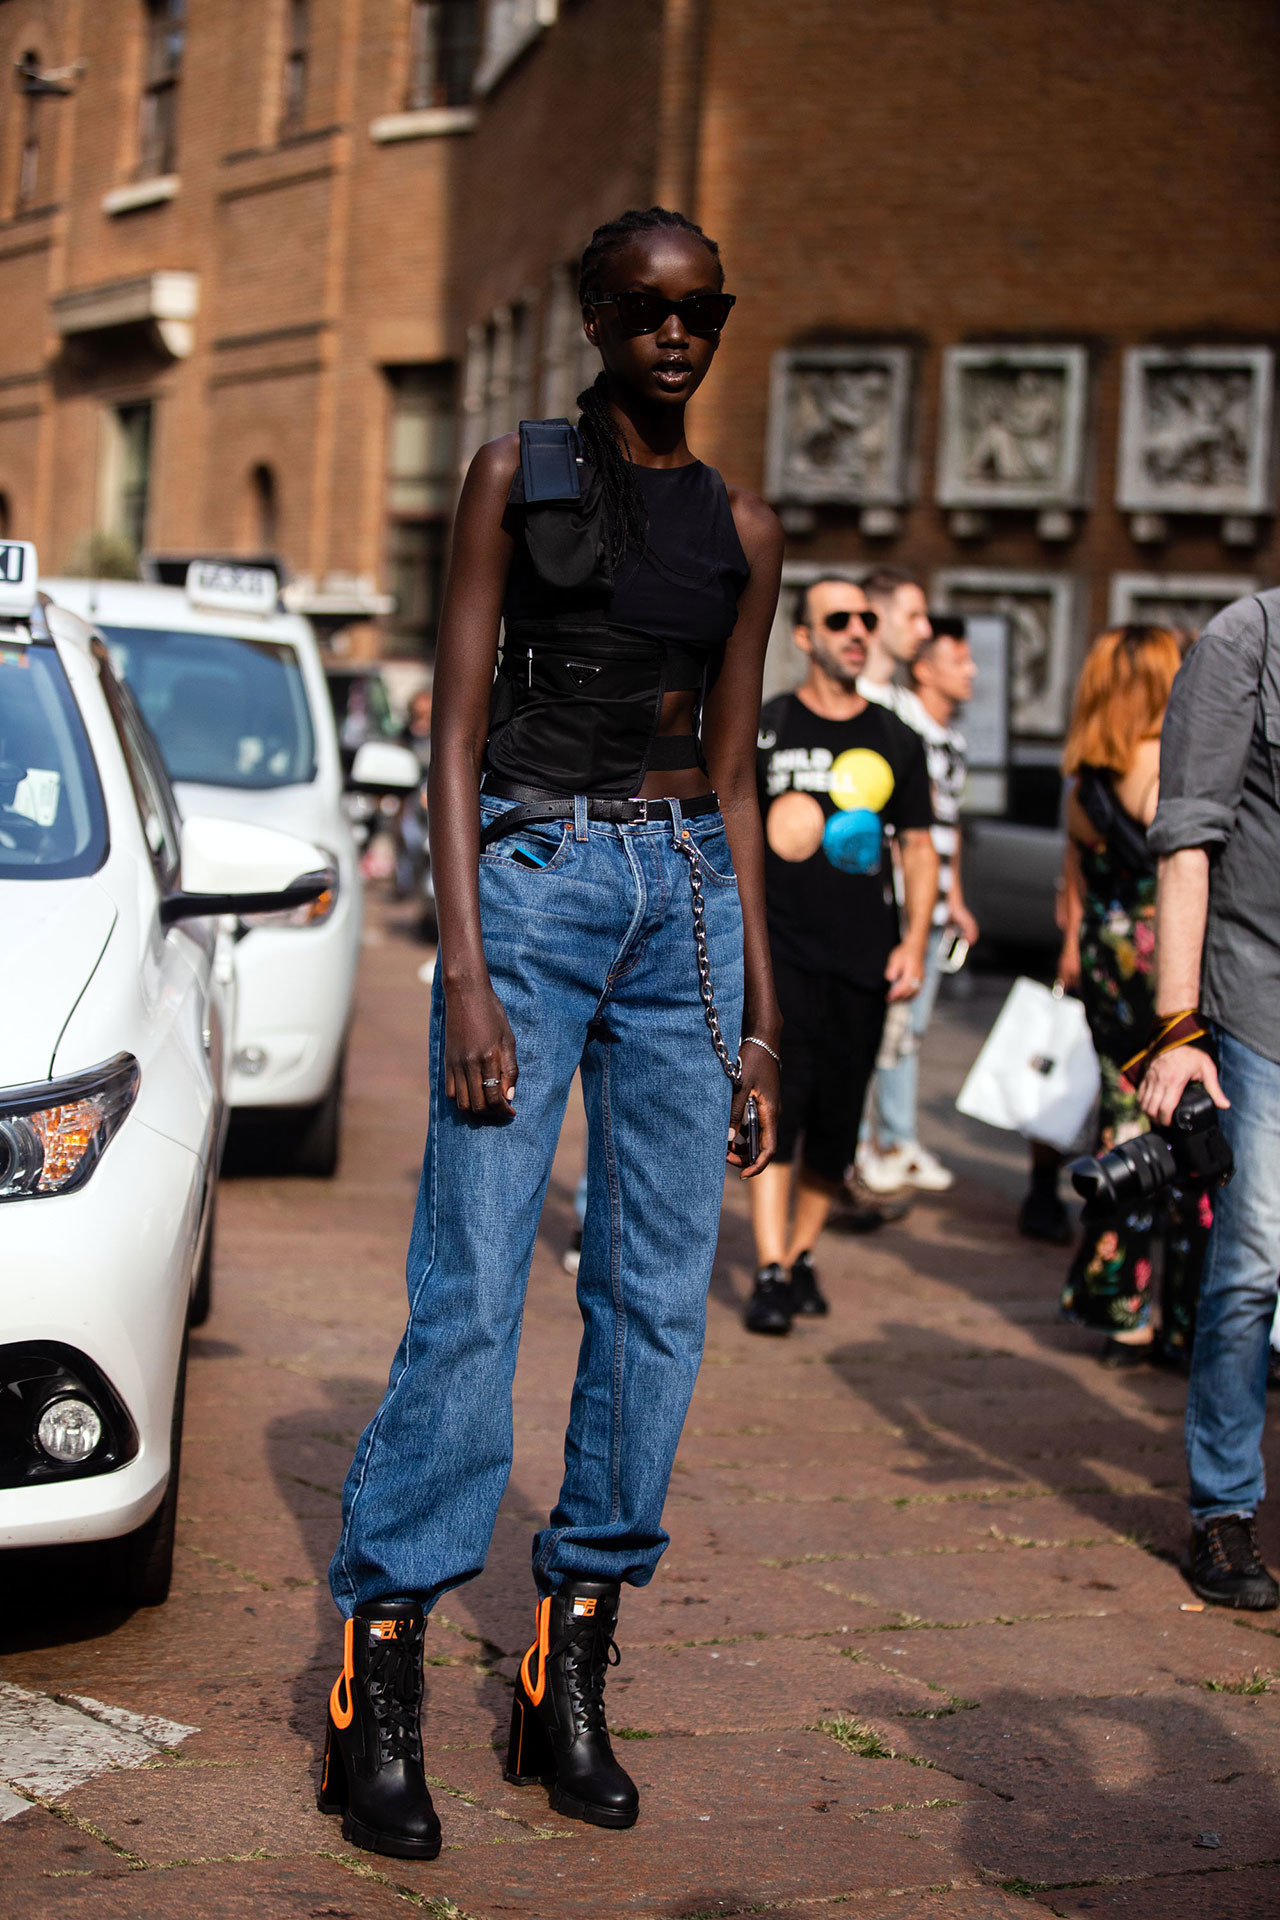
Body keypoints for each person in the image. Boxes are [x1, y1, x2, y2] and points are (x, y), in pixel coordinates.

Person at [321, 207, 785, 1855]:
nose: (677, 334)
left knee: (657, 1300)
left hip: (687, 900)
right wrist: (462, 970)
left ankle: (567, 1667)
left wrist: (762, 1026)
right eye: (649, 308)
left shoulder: (743, 525)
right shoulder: (515, 474)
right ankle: (376, 1679)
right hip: (530, 885)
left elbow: (735, 778)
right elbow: (452, 732)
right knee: (472, 1282)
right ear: (594, 315)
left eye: (703, 311)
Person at [744, 575, 937, 1335]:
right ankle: (769, 1267)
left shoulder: (896, 737)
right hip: (780, 955)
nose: (858, 631)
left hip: (864, 958)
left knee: (835, 1122)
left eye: (865, 619)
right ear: (804, 636)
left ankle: (800, 1253)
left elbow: (918, 847)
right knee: (776, 1109)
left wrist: (914, 942)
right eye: (839, 620)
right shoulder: (767, 727)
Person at [1137, 587, 1280, 1611]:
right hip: (1260, 998)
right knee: (1255, 1259)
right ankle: (1224, 1507)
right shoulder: (1247, 639)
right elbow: (1186, 836)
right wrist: (1178, 1026)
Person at [1056, 626, 1210, 1368]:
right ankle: (1185, 1316)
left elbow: (1075, 885)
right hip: (1162, 955)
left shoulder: (1085, 776)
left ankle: (1119, 1310)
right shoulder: (1164, 764)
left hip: (1105, 955)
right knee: (1188, 1126)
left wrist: (1074, 950)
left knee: (1125, 1118)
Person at [857, 615, 980, 1194]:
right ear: (925, 670)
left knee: (911, 1031)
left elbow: (948, 827)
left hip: (933, 908)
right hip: (902, 907)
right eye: (959, 660)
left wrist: (955, 900)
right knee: (885, 1028)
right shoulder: (899, 720)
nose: (972, 671)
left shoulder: (953, 739)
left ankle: (896, 1139)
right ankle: (865, 1144)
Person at [860, 564, 934, 688]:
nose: (925, 631)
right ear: (874, 617)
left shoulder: (908, 699)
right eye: (912, 616)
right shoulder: (837, 696)